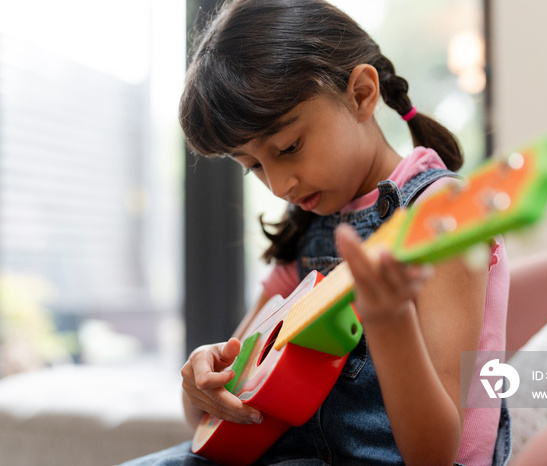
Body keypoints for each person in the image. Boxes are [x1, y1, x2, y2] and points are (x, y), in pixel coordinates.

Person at [123, 0, 510, 464]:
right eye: (253, 168)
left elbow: (436, 455)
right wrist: (201, 387)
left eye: (288, 147)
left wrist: (389, 322)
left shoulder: (445, 214)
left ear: (362, 95)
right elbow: (221, 415)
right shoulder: (310, 230)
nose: (280, 185)